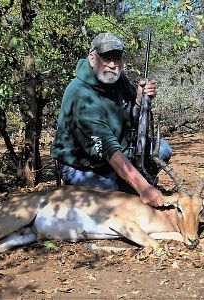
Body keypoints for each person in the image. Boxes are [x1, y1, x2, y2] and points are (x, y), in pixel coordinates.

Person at [51, 33, 172, 207]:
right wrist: (142, 186)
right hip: (84, 166)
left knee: (163, 149)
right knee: (118, 198)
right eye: (106, 58)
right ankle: (124, 186)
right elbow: (107, 147)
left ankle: (130, 182)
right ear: (92, 58)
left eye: (117, 58)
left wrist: (140, 98)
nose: (112, 64)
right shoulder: (80, 94)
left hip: (119, 155)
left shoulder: (119, 80)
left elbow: (133, 115)